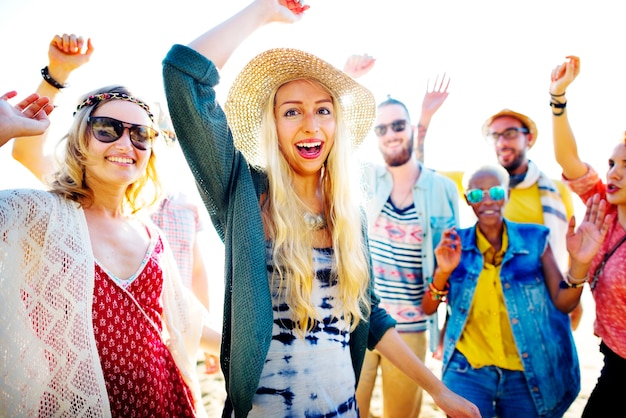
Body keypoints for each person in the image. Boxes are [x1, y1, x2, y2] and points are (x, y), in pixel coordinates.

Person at [161, 0, 480, 417]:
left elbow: (371, 316)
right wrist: (263, 10)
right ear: (272, 124)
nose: (310, 124)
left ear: (336, 124)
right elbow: (183, 74)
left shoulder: (348, 211)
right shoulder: (244, 193)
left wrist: (440, 392)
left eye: (323, 111)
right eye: (292, 111)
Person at [0, 84, 221, 417]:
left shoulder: (151, 233)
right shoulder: (40, 214)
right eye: (107, 129)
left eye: (141, 134)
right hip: (75, 405)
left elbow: (184, 324)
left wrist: (265, 348)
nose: (124, 144)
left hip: (167, 402)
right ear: (80, 139)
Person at [422, 164, 610, 418]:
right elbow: (429, 307)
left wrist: (580, 264)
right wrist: (443, 272)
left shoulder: (535, 239)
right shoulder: (454, 242)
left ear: (508, 194)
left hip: (525, 372)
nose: (487, 200)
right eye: (477, 194)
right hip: (468, 371)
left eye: (496, 192)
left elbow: (563, 303)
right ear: (467, 200)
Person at [354, 95, 460, 418]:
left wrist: (446, 328)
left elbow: (451, 266)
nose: (390, 134)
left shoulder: (442, 189)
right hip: (361, 320)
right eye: (382, 128)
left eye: (398, 125)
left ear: (412, 129)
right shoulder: (365, 179)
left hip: (411, 329)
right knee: (347, 410)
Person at [549, 54, 626, 417]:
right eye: (612, 163)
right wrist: (558, 98)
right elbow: (568, 159)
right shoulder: (601, 208)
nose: (614, 173)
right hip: (615, 363)